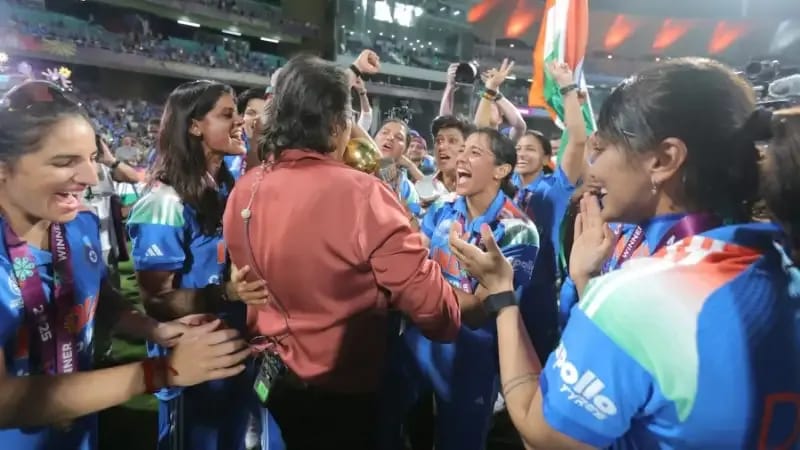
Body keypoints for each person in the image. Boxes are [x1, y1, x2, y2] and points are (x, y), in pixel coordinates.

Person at [449, 58, 800, 449]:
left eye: (607, 146)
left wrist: (502, 292)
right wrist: (588, 282)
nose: (594, 168)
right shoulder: (780, 258)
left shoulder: (645, 294)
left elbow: (542, 434)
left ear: (664, 159)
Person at [223, 53, 484, 450]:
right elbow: (436, 312)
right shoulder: (364, 195)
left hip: (272, 376)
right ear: (337, 123)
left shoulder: (247, 187)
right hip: (342, 391)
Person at [0, 80, 251, 450]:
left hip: (79, 434)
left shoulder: (77, 225)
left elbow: (101, 296)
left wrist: (155, 331)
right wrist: (161, 371)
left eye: (90, 158)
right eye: (65, 162)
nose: (89, 178)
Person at [127, 80, 271, 450]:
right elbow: (156, 302)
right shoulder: (164, 201)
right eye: (227, 115)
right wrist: (225, 292)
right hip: (190, 357)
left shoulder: (224, 185)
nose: (240, 121)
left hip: (234, 345)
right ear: (194, 126)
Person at [384, 128, 539, 450]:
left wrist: (418, 281)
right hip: (419, 340)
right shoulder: (443, 206)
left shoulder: (518, 231)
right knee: (384, 423)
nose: (461, 158)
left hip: (472, 353)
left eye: (474, 152)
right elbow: (417, 250)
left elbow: (477, 311)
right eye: (462, 150)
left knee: (461, 442)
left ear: (501, 170)